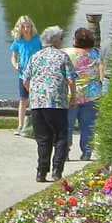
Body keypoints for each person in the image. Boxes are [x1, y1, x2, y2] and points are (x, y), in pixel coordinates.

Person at [22, 25, 76, 183]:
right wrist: (73, 97)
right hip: (57, 102)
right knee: (61, 136)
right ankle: (57, 170)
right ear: (57, 40)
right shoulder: (62, 57)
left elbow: (25, 80)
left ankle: (41, 172)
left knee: (43, 138)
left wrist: (34, 91)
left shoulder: (35, 56)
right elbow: (71, 79)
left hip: (38, 103)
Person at [65, 27, 104, 161]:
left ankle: (65, 151)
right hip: (91, 94)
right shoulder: (95, 53)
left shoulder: (67, 53)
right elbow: (100, 67)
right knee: (88, 125)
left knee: (67, 125)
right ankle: (87, 152)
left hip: (72, 94)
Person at [10, 16, 42, 136]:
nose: (26, 29)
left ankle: (37, 125)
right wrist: (15, 64)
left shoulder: (37, 40)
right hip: (23, 74)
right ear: (20, 28)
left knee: (36, 100)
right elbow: (13, 56)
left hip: (36, 74)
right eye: (23, 27)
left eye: (28, 27)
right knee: (23, 100)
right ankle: (21, 125)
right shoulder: (18, 41)